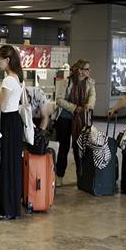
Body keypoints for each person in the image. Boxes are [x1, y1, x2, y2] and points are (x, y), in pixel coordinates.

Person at [0, 45, 24, 220]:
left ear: (7, 60)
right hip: (14, 121)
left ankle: (6, 208)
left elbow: (0, 104)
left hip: (8, 122)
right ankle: (7, 206)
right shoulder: (18, 78)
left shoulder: (8, 80)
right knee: (10, 165)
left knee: (5, 165)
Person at [54, 59, 95, 187]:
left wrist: (89, 104)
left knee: (80, 147)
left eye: (88, 69)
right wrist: (74, 108)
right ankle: (59, 176)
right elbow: (59, 100)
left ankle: (81, 176)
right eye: (86, 69)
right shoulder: (67, 81)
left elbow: (93, 96)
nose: (88, 71)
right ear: (79, 70)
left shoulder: (90, 83)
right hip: (66, 118)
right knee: (64, 148)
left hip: (82, 119)